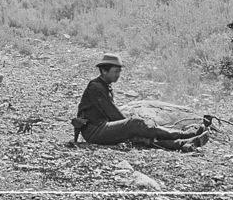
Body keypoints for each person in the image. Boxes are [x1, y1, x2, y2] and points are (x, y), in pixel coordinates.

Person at [74, 53, 209, 151]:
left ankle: (182, 144)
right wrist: (133, 125)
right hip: (94, 131)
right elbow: (113, 114)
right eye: (115, 72)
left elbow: (112, 115)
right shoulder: (96, 87)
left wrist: (136, 128)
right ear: (104, 71)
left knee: (140, 136)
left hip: (100, 128)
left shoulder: (104, 85)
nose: (118, 75)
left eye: (119, 72)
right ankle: (185, 135)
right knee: (136, 125)